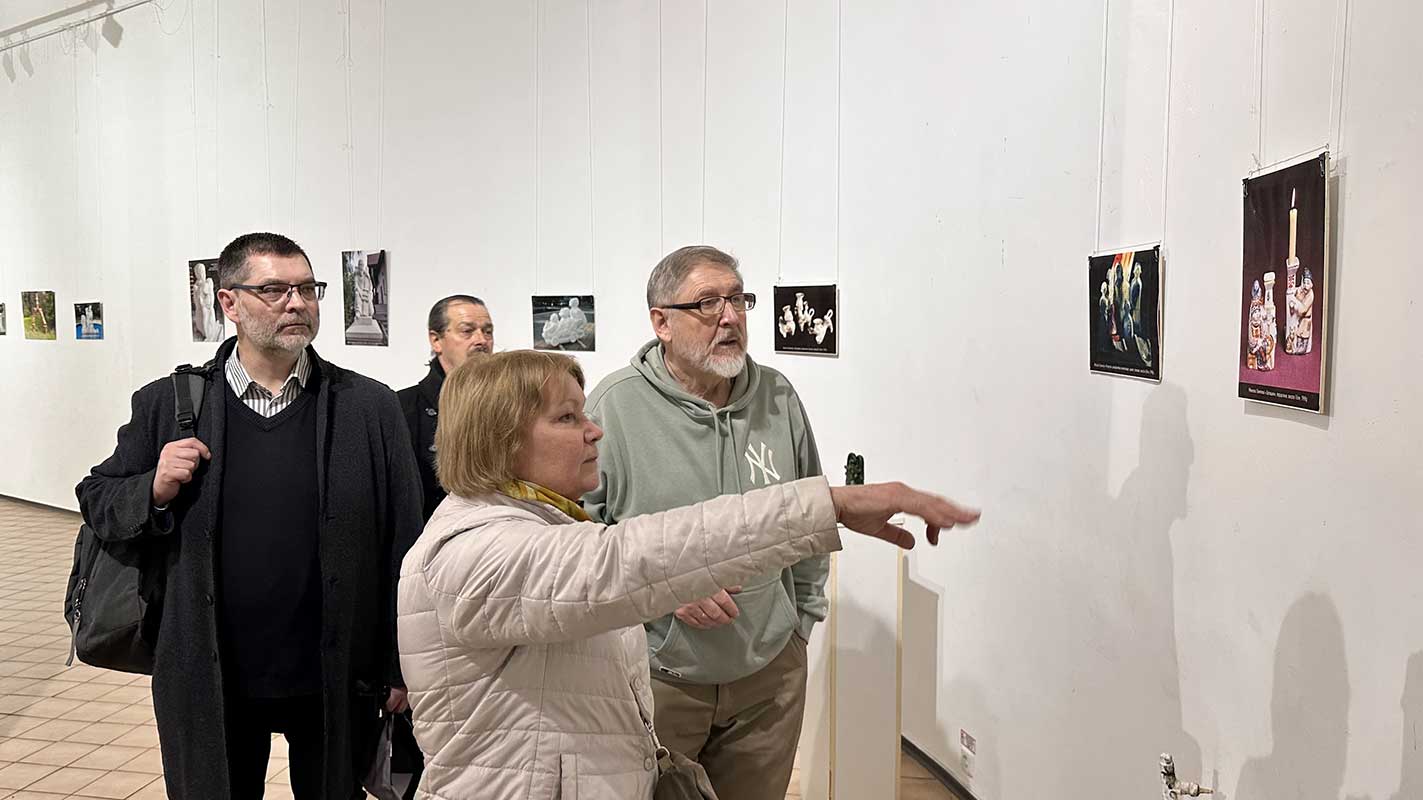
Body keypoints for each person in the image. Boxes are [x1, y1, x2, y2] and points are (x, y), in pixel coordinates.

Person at [397, 350, 980, 800]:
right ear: (501, 441)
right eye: (568, 417)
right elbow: (625, 560)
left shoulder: (543, 524)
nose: (594, 431)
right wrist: (830, 505)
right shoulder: (473, 551)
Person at [77, 232, 424, 799]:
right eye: (274, 290)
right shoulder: (170, 404)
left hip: (335, 677)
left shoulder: (368, 407)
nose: (297, 303)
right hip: (211, 676)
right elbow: (96, 498)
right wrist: (152, 488)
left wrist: (399, 665)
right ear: (229, 302)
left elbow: (404, 543)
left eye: (307, 289)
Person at [581, 245, 824, 799]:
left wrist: (800, 626)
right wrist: (663, 587)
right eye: (708, 303)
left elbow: (811, 515)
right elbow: (579, 544)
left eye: (738, 299)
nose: (730, 317)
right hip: (659, 681)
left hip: (769, 679)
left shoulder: (778, 397)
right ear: (661, 323)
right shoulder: (613, 408)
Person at [398, 295, 495, 521]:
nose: (481, 340)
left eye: (488, 331)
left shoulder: (510, 406)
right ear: (436, 340)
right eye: (467, 331)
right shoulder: (403, 409)